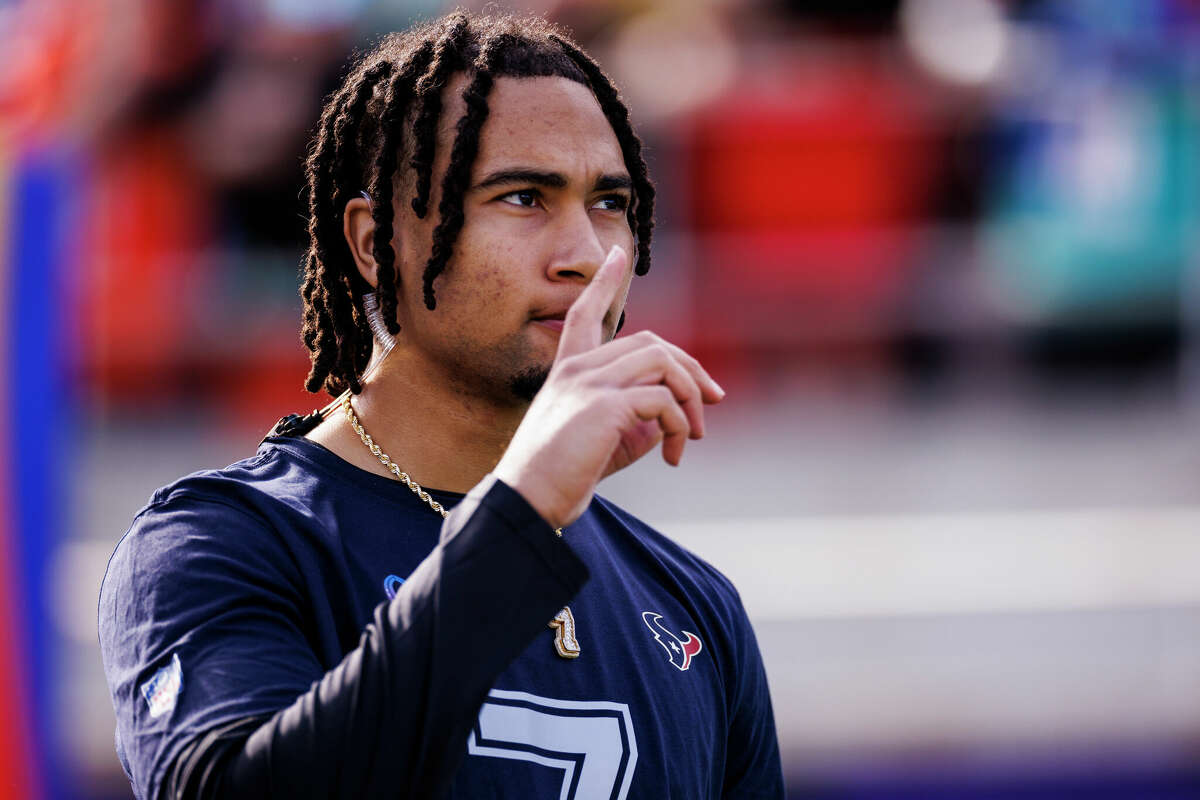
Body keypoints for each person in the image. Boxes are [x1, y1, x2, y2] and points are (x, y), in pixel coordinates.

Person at [99, 12, 784, 799]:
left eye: (608, 204)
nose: (587, 256)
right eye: (524, 197)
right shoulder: (221, 544)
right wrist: (519, 518)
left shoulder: (695, 604)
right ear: (375, 243)